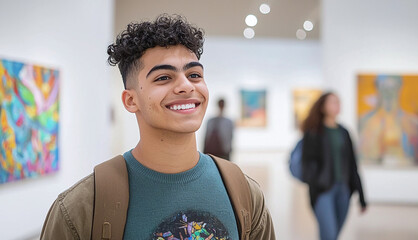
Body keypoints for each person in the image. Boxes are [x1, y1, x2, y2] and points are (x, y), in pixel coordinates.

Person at [40, 14, 275, 240]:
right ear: (131, 101)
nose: (186, 86)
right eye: (163, 78)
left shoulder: (244, 193)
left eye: (194, 75)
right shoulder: (81, 208)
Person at [301, 92, 367, 240]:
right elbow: (307, 163)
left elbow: (353, 165)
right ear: (323, 107)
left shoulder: (344, 132)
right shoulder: (313, 132)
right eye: (332, 102)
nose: (337, 105)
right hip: (323, 191)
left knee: (334, 235)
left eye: (338, 102)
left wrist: (362, 197)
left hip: (343, 190)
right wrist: (317, 183)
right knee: (329, 235)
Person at [358, 75, 418, 167]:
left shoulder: (413, 123)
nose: (388, 92)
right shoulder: (364, 122)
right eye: (384, 87)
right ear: (377, 89)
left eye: (393, 87)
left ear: (399, 89)